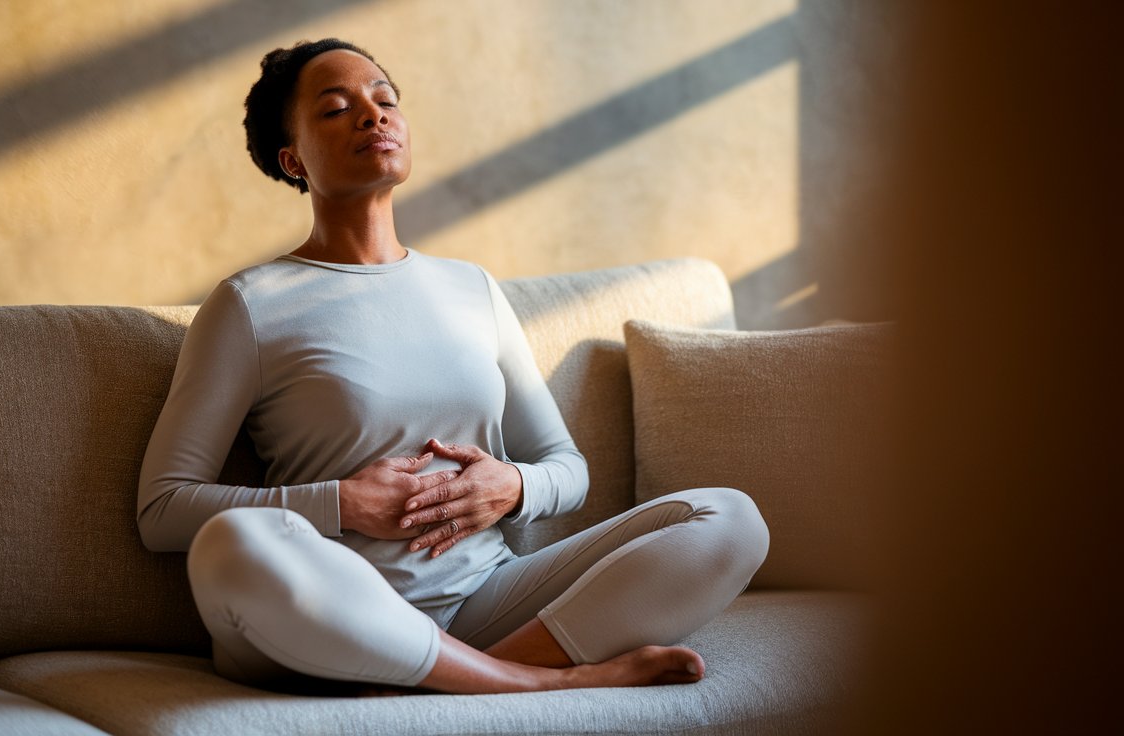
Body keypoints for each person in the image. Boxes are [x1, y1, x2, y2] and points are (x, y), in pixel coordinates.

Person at [136, 38, 769, 695]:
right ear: (291, 158)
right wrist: (341, 503)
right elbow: (162, 509)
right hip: (326, 610)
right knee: (231, 544)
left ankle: (458, 674)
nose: (372, 115)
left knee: (728, 518)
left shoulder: (473, 290)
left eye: (385, 100)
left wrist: (512, 488)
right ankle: (532, 684)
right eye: (335, 108)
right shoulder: (249, 304)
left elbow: (567, 467)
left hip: (485, 602)